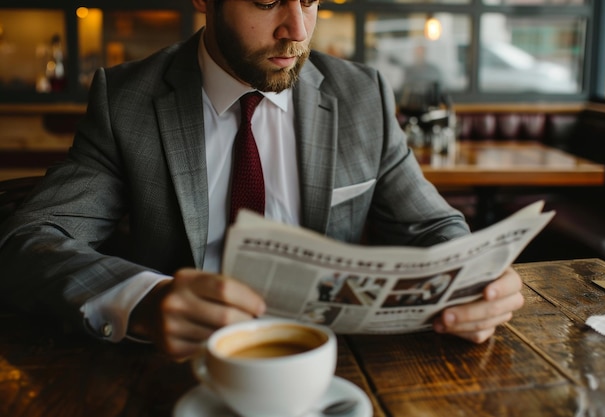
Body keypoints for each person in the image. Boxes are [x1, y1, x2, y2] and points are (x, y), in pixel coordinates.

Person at [0, 0, 524, 361]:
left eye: (311, 0)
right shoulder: (127, 100)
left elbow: (434, 227)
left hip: (333, 363)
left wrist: (480, 280)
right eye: (266, 0)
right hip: (178, 367)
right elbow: (28, 242)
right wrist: (144, 301)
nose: (296, 29)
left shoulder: (362, 95)